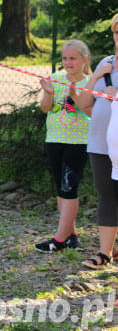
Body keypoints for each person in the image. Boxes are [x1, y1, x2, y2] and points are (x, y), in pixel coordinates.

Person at [34, 39, 91, 253]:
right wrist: (49, 93)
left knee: (70, 188)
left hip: (78, 141)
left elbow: (90, 113)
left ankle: (58, 240)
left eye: (73, 58)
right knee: (61, 188)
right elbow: (45, 108)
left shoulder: (90, 82)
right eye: (65, 58)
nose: (68, 62)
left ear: (84, 59)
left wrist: (75, 97)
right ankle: (71, 235)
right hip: (54, 139)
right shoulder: (56, 79)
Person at [74, 14, 118, 268]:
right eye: (116, 32)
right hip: (100, 144)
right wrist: (96, 76)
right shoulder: (106, 64)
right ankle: (104, 253)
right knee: (106, 196)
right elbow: (83, 103)